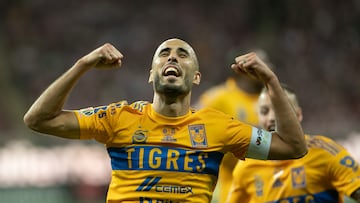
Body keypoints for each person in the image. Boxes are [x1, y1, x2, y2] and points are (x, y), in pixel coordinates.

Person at [23, 38, 307, 203]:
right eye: (165, 54)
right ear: (151, 74)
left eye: (183, 55)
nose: (173, 57)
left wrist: (271, 80)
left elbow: (293, 147)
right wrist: (82, 64)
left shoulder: (220, 127)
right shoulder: (119, 118)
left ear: (196, 77)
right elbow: (38, 119)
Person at [226, 84, 360, 203]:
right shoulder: (246, 167)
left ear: (298, 115)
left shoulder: (325, 152)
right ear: (258, 117)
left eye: (281, 110)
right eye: (264, 111)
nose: (272, 118)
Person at [196, 49, 269, 203]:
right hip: (225, 185)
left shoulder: (270, 100)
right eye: (261, 63)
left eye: (267, 64)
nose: (267, 67)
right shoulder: (219, 97)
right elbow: (190, 122)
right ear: (244, 68)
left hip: (263, 186)